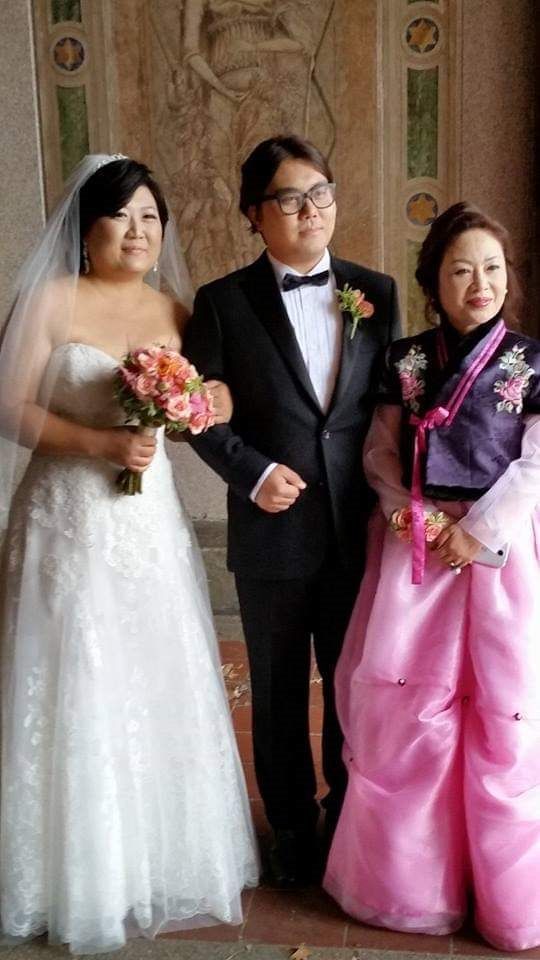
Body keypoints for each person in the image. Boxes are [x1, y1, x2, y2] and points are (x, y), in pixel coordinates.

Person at [0, 154, 258, 955]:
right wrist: (99, 443)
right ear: (87, 229)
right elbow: (8, 405)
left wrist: (211, 401)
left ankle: (152, 859)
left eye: (151, 217)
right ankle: (71, 873)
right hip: (65, 518)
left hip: (147, 528)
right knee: (73, 675)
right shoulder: (51, 299)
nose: (139, 231)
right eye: (121, 216)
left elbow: (207, 403)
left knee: (150, 678)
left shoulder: (175, 310)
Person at [182, 134, 401, 886]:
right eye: (290, 198)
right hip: (270, 530)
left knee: (351, 682)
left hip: (354, 528)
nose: (311, 210)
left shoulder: (377, 292)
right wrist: (251, 473)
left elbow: (391, 407)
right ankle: (292, 831)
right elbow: (196, 413)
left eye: (320, 193)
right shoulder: (222, 302)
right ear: (254, 213)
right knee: (276, 691)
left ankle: (347, 817)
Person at [324, 202, 540, 952]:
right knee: (411, 714)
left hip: (496, 553)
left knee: (503, 717)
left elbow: (535, 464)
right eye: (460, 270)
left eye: (492, 268)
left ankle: (505, 897)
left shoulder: (530, 361)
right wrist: (410, 514)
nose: (479, 283)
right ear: (433, 283)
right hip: (417, 549)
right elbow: (381, 451)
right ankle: (414, 888)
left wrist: (476, 532)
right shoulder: (406, 359)